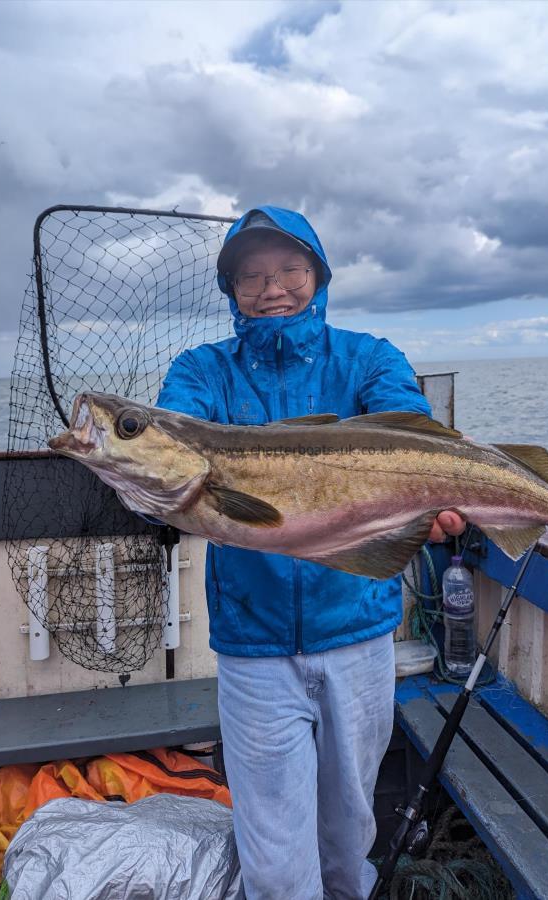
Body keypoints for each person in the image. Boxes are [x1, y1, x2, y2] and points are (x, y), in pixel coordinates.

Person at [157, 206, 464, 899]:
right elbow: (172, 450)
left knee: (349, 828)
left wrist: (433, 500)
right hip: (253, 645)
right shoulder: (202, 372)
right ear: (230, 289)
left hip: (358, 629)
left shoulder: (367, 357)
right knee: (271, 851)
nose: (272, 288)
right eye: (251, 275)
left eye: (290, 269)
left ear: (318, 276)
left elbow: (405, 429)